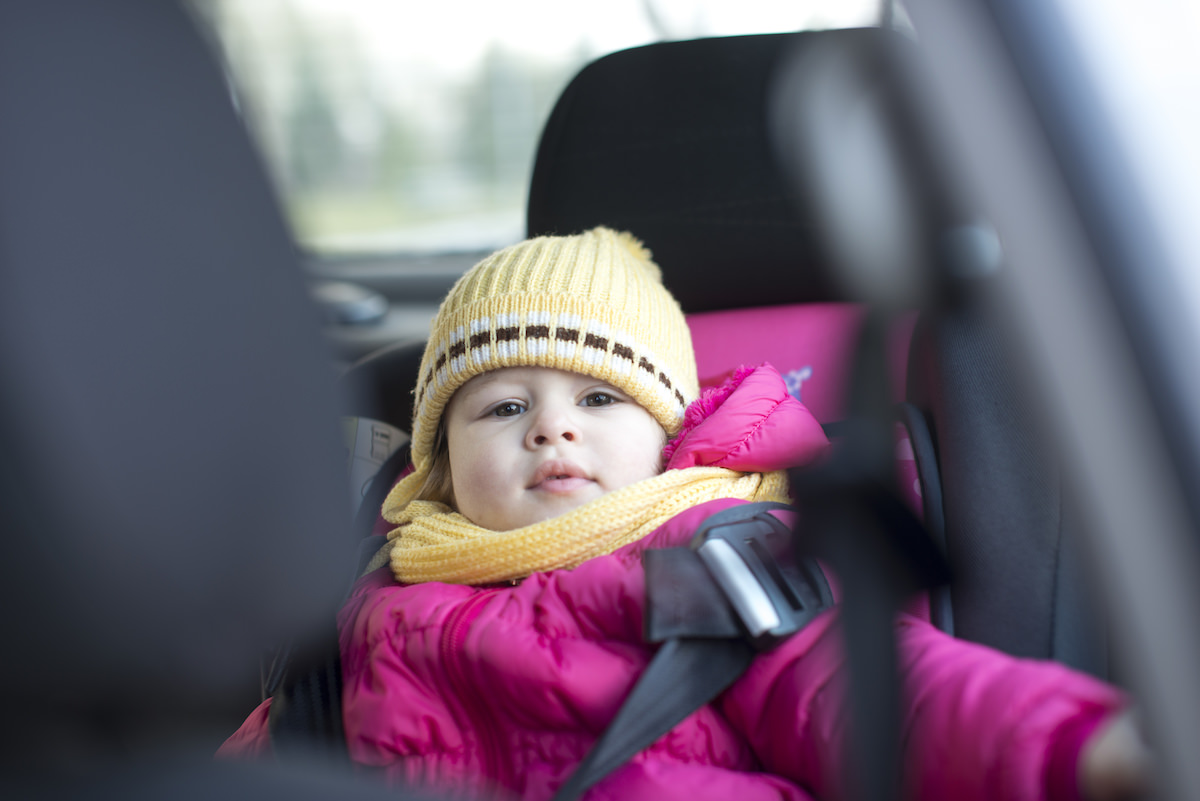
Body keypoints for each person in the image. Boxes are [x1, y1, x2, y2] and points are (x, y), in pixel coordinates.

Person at [220, 227, 1148, 801]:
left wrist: (1084, 746)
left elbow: (879, 697)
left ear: (666, 435)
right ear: (440, 465)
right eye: (503, 408)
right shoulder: (373, 601)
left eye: (599, 400)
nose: (551, 430)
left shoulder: (713, 564)